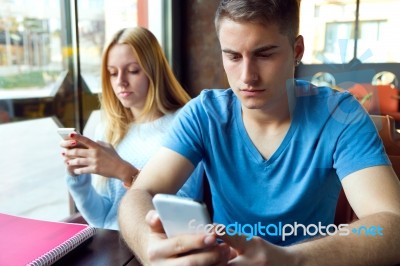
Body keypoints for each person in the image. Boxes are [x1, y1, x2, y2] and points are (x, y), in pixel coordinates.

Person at [118, 0, 400, 265]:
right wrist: (147, 247)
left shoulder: (340, 116)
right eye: (232, 56)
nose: (247, 76)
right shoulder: (204, 114)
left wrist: (289, 260)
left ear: (297, 50)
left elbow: (392, 222)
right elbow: (141, 191)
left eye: (264, 54)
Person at [60, 27, 203, 230]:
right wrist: (78, 177)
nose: (121, 82)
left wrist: (122, 170)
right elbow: (103, 218)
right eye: (112, 73)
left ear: (154, 71)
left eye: (133, 70)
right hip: (115, 246)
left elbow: (182, 213)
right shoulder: (109, 129)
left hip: (159, 244)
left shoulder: (185, 122)